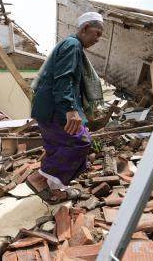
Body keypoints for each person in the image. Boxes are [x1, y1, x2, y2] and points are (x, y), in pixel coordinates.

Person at [26, 12, 105, 204]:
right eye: (97, 33)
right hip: (55, 109)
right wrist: (70, 109)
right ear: (85, 28)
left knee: (56, 147)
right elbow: (64, 78)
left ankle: (57, 190)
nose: (98, 39)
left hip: (47, 108)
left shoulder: (71, 44)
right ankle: (38, 179)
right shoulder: (72, 45)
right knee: (81, 142)